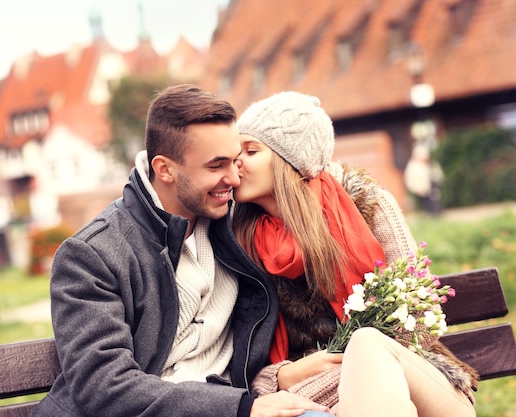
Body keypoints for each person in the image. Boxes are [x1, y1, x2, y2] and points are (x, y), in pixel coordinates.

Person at [30, 85, 333, 417]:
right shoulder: (93, 255)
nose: (234, 178)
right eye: (216, 166)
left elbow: (306, 182)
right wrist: (241, 408)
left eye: (235, 160)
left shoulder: (236, 225)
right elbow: (104, 385)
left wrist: (277, 377)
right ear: (165, 169)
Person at [231, 91, 478, 417]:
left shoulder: (368, 207)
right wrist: (281, 376)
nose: (237, 162)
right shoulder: (238, 241)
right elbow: (239, 358)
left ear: (291, 162)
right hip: (333, 405)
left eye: (251, 151)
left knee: (367, 344)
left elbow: (416, 320)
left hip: (421, 383)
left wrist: (341, 375)